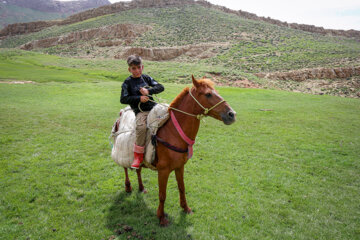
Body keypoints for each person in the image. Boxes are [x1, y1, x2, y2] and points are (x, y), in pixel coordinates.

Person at [120, 55, 164, 169]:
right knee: (141, 128)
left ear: (142, 67)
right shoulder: (127, 83)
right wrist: (138, 98)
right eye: (134, 68)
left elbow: (161, 87)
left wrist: (148, 91)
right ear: (129, 69)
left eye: (139, 67)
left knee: (169, 116)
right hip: (141, 111)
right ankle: (138, 156)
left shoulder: (147, 78)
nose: (137, 70)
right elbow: (123, 99)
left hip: (154, 107)